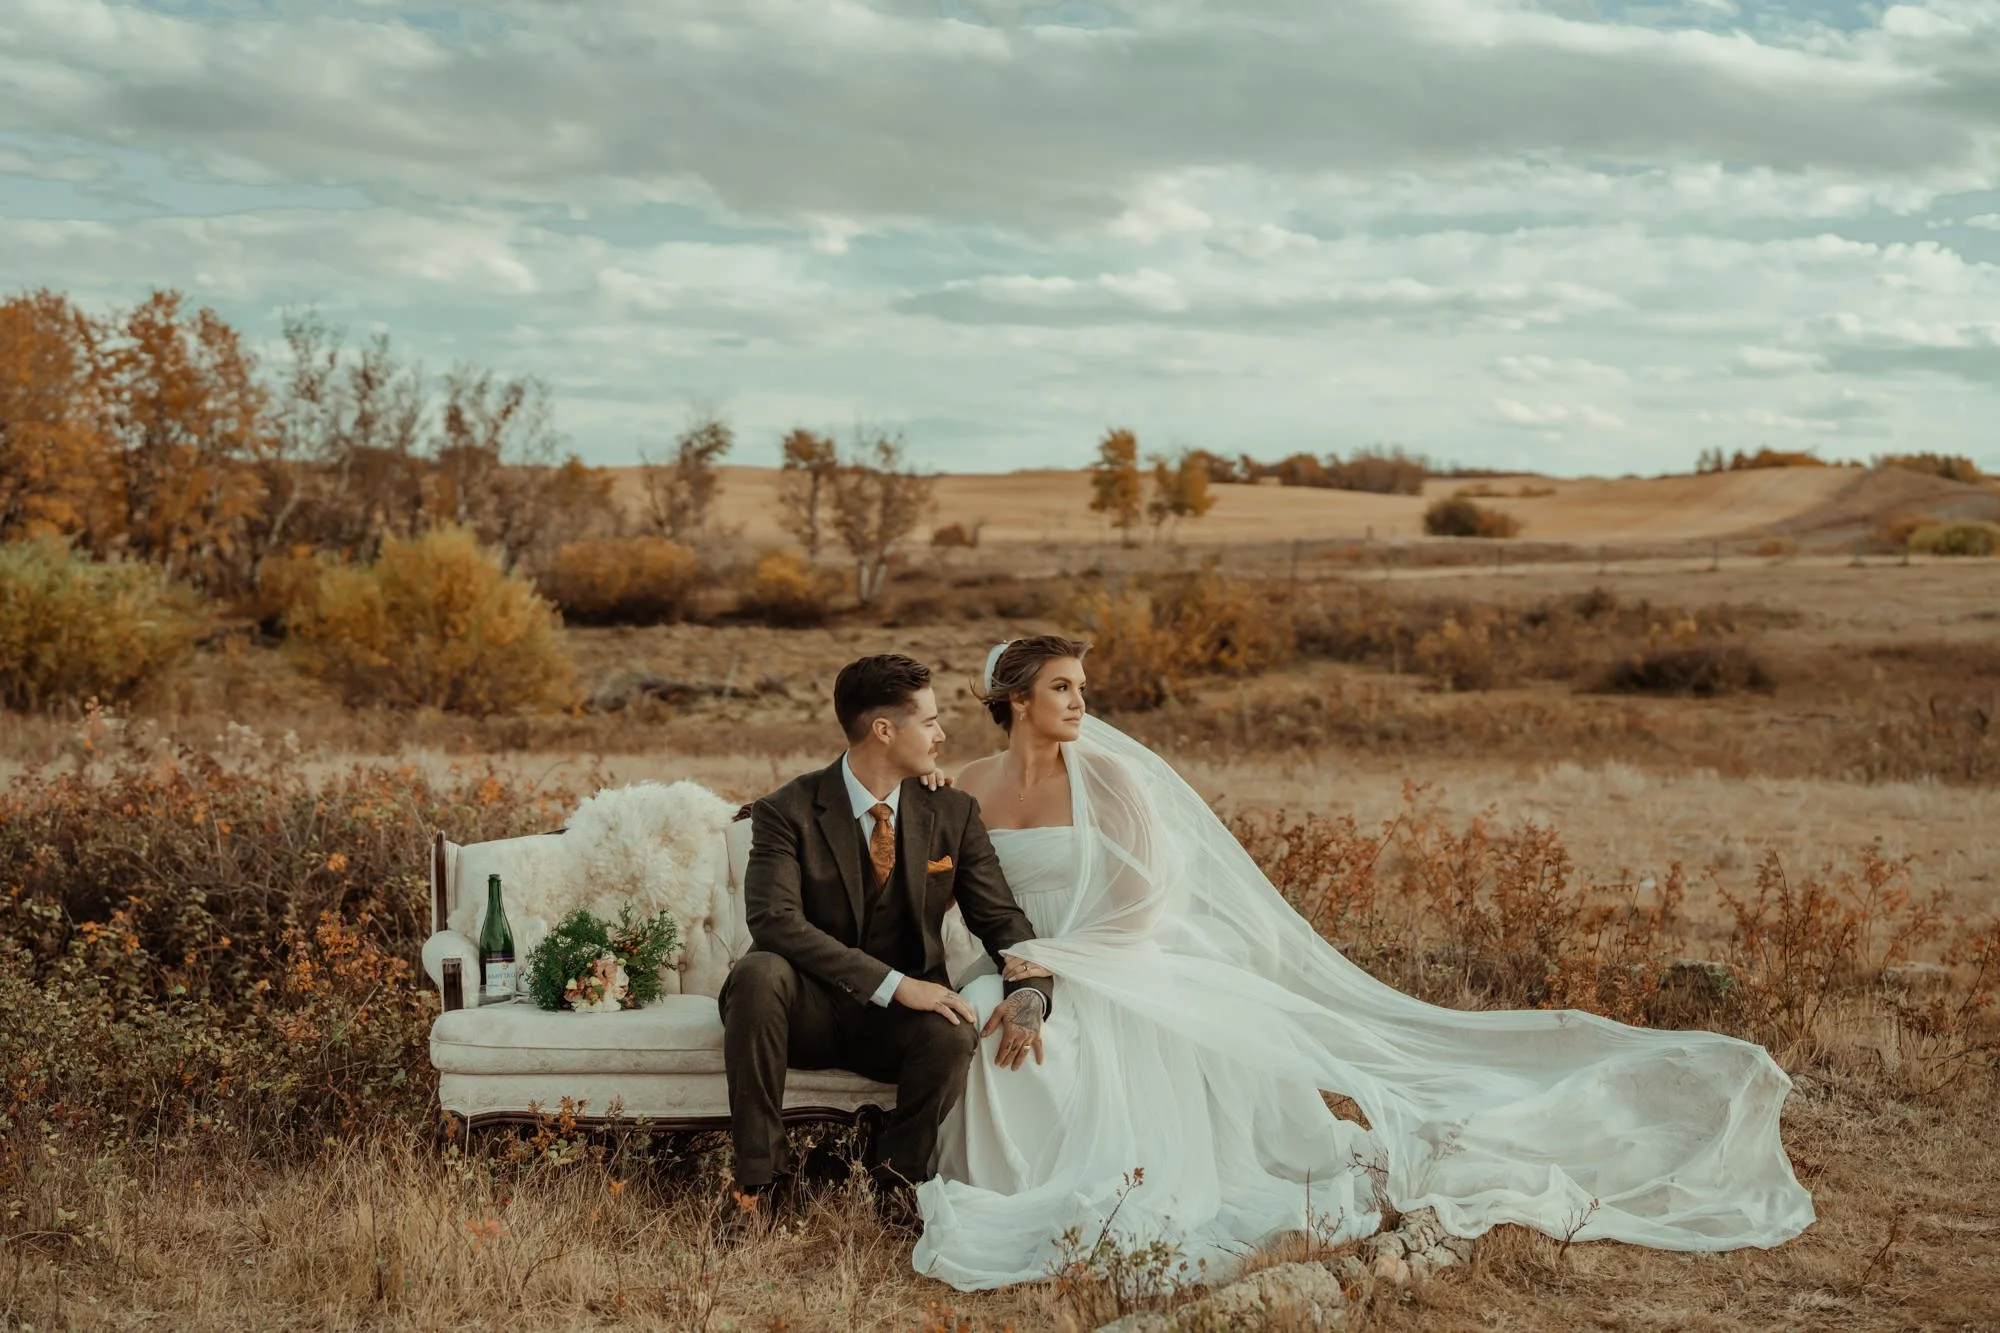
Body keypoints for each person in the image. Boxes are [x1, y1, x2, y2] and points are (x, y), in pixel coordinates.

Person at [911, 635, 1815, 1291]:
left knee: (1069, 1040)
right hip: (1019, 959)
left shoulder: (1112, 780)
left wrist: (1075, 961)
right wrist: (1009, 966)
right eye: (1062, 688)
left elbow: (1153, 896)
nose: (1080, 702)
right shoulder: (972, 787)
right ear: (1017, 699)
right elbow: (958, 892)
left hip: (1119, 955)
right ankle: (1007, 1187)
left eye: (1081, 686)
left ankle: (1098, 1194)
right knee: (996, 1032)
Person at [718, 654, 1055, 1232]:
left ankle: (896, 1183)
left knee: (951, 1029)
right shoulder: (787, 811)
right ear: (883, 730)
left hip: (895, 1031)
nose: (941, 734)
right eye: (928, 721)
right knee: (758, 973)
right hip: (805, 1010)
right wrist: (897, 986)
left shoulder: (950, 810)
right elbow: (773, 919)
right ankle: (758, 1183)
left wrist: (1032, 993)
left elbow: (1001, 919)